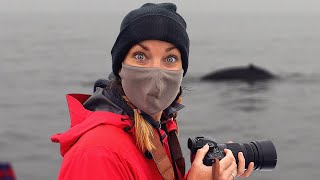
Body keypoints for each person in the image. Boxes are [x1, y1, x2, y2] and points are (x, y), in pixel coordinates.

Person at [51, 3, 254, 180]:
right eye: (140, 56)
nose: (156, 71)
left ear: (182, 71)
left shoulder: (156, 131)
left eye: (170, 58)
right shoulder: (97, 153)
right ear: (119, 67)